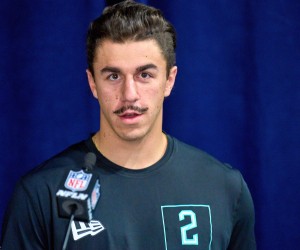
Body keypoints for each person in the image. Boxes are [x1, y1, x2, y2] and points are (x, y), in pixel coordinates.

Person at [0, 1, 256, 249]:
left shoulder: (224, 188)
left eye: (145, 75)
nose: (129, 94)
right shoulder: (40, 193)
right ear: (92, 83)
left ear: (169, 80)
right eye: (113, 76)